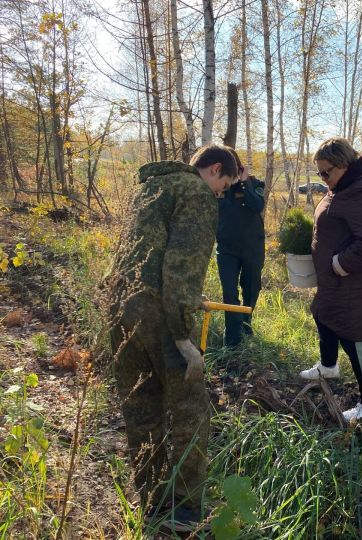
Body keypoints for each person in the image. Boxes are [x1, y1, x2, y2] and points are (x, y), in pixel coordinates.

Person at [107, 145, 238, 531]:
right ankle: (183, 511)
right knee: (191, 411)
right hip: (160, 316)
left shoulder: (149, 188)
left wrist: (183, 297)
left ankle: (151, 499)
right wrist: (184, 339)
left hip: (119, 310)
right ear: (214, 170)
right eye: (223, 185)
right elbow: (180, 264)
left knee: (141, 410)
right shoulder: (196, 193)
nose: (219, 193)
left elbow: (143, 258)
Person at [298, 137, 362, 421]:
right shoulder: (342, 187)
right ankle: (329, 366)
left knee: (356, 335)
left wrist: (338, 264)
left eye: (326, 172)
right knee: (324, 315)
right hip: (336, 280)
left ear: (344, 165)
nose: (323, 178)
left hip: (356, 281)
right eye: (319, 173)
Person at [216, 150, 265, 347]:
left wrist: (245, 183)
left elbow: (257, 205)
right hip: (227, 249)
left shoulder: (255, 184)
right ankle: (233, 338)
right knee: (229, 292)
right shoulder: (218, 186)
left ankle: (246, 324)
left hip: (252, 247)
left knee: (251, 288)